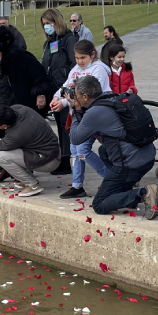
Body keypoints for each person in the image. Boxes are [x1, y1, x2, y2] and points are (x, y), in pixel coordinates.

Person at [68, 75, 158, 218]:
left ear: (85, 97)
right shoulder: (111, 97)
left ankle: (144, 193)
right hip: (147, 156)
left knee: (99, 204)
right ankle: (126, 191)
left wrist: (76, 110)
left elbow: (75, 138)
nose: (75, 97)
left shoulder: (94, 113)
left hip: (130, 164)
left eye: (76, 95)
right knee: (103, 151)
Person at [0, 26, 56, 184]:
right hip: (2, 107)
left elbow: (41, 77)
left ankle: (22, 171)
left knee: (20, 141)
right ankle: (10, 169)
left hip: (22, 107)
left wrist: (40, 93)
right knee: (1, 135)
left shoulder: (21, 57)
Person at [51, 39, 112, 199]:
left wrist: (64, 102)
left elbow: (88, 95)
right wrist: (56, 97)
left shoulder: (99, 70)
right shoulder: (76, 69)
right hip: (78, 114)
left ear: (92, 55)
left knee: (83, 150)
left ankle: (110, 180)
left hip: (93, 114)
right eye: (77, 58)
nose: (79, 61)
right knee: (75, 151)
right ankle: (77, 186)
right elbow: (66, 86)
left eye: (83, 58)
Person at [0, 105, 61, 197]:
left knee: (2, 157)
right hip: (49, 151)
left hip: (49, 161)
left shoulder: (17, 134)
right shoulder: (16, 109)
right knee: (8, 149)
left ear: (5, 126)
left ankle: (32, 184)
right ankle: (25, 179)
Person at [40, 8, 78, 176]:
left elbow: (73, 64)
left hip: (64, 88)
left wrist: (67, 86)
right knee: (59, 124)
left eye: (49, 23)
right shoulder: (50, 42)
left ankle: (66, 159)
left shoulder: (69, 39)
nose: (47, 27)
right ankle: (62, 156)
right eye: (44, 24)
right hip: (52, 88)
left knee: (65, 124)